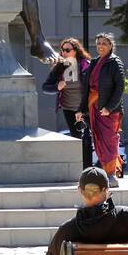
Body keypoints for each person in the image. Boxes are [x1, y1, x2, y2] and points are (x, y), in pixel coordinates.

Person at [76, 33, 124, 186]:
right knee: (99, 143)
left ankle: (112, 176)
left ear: (111, 45)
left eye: (104, 43)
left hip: (109, 111)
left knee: (109, 142)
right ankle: (105, 175)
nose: (100, 46)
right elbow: (87, 89)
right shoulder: (95, 62)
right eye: (98, 43)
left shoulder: (115, 62)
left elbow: (120, 87)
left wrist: (109, 108)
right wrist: (81, 110)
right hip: (93, 108)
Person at [42, 37, 92, 168]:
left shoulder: (86, 65)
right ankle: (80, 169)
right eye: (62, 50)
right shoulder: (59, 67)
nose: (64, 53)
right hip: (68, 108)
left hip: (84, 108)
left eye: (67, 50)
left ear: (76, 51)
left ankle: (88, 168)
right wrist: (56, 87)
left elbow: (93, 86)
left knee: (86, 137)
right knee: (76, 137)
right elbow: (45, 87)